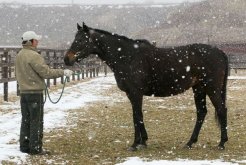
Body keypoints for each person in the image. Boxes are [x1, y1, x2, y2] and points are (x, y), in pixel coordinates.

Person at [15, 31, 73, 155]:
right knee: (36, 120)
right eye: (36, 40)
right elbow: (46, 72)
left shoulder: (19, 54)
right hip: (34, 93)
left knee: (26, 119)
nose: (38, 42)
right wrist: (63, 72)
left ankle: (24, 146)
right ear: (30, 41)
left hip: (24, 93)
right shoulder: (34, 55)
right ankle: (35, 148)